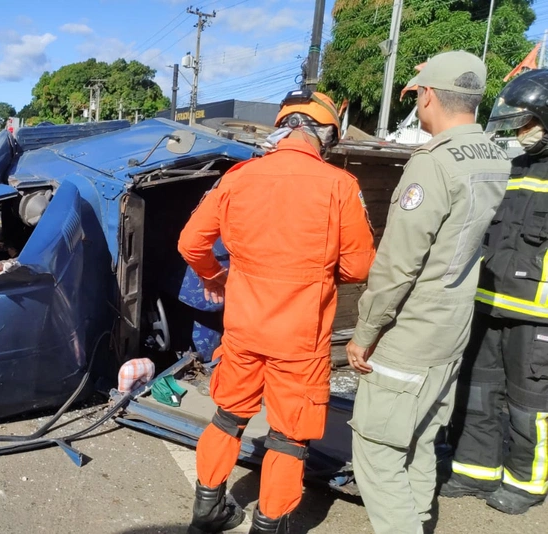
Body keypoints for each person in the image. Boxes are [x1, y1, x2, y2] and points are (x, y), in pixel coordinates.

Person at [178, 89, 376, 534]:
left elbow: (191, 243)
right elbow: (359, 265)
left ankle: (206, 509)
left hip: (244, 328)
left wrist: (213, 276)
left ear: (283, 127)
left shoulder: (239, 176)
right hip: (300, 339)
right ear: (325, 135)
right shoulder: (340, 185)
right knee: (289, 434)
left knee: (228, 416)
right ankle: (269, 526)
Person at [345, 50, 510, 533]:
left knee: (377, 452)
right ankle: (418, 521)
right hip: (452, 327)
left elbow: (399, 264)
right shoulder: (493, 155)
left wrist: (365, 331)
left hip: (411, 333)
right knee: (418, 439)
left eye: (417, 94)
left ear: (430, 95)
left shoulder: (433, 164)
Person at [441, 68, 548, 515]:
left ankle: (527, 482)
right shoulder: (511, 169)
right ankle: (473, 470)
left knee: (530, 405)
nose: (521, 134)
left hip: (537, 316)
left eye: (527, 124)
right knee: (478, 391)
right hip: (488, 302)